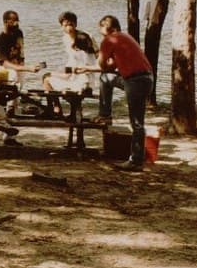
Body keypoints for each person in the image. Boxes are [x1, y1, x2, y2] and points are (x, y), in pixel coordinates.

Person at [77, 15, 153, 172]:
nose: (101, 34)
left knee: (137, 123)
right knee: (106, 78)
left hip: (135, 81)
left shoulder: (109, 40)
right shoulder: (125, 37)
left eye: (102, 30)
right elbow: (109, 69)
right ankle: (105, 114)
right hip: (146, 78)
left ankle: (136, 161)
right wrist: (87, 69)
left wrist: (95, 58)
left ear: (108, 28)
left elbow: (102, 64)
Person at [42, 12, 99, 116]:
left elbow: (96, 55)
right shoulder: (65, 38)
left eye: (71, 24)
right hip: (74, 73)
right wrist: (65, 71)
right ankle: (56, 108)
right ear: (62, 26)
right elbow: (73, 60)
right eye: (65, 25)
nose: (69, 28)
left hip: (83, 76)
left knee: (47, 79)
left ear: (76, 24)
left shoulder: (85, 37)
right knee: (47, 76)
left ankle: (60, 110)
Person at [0, 10, 43, 120]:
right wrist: (27, 68)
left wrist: (28, 66)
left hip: (18, 66)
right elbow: (4, 63)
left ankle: (12, 111)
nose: (17, 23)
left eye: (17, 21)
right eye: (14, 21)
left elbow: (20, 52)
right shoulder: (1, 38)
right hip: (5, 69)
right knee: (13, 78)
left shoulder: (19, 33)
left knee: (18, 88)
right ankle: (8, 111)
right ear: (6, 22)